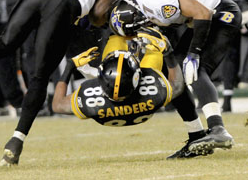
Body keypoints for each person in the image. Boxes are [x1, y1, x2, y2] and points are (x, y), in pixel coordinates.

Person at [0, 0, 136, 166]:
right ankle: (15, 142)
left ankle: (15, 143)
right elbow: (117, 2)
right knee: (40, 75)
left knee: (5, 43)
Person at [108, 0, 241, 155]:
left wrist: (194, 53)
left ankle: (218, 129)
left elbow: (202, 12)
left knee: (193, 68)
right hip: (199, 14)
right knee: (173, 70)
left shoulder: (155, 3)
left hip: (218, 13)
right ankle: (196, 135)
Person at [53, 27, 215, 159]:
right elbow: (178, 85)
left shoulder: (90, 99)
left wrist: (70, 66)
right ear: (138, 77)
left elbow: (57, 105)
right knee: (153, 48)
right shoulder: (152, 90)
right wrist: (167, 51)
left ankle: (122, 29)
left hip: (114, 105)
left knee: (116, 39)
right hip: (140, 99)